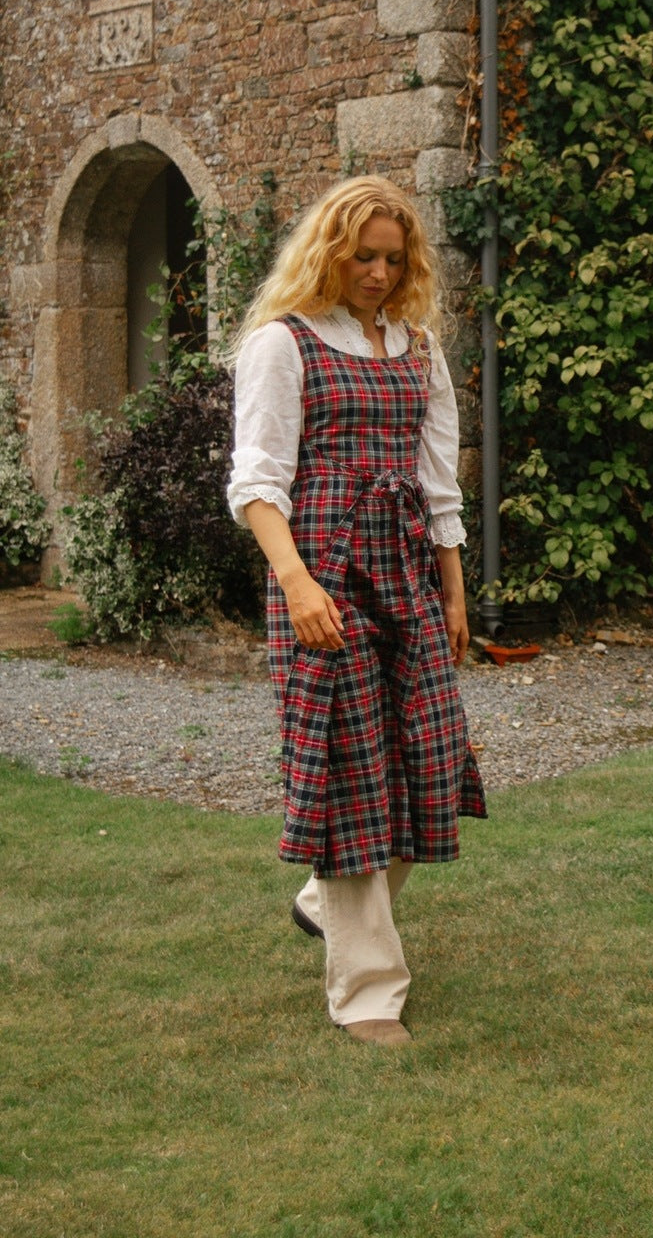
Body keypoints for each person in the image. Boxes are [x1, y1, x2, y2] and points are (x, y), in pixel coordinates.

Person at [226, 174, 487, 1047]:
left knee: (432, 755)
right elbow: (258, 482)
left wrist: (454, 588)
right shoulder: (282, 343)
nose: (378, 272)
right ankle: (370, 992)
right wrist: (297, 584)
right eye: (362, 255)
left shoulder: (418, 349)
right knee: (350, 773)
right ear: (330, 252)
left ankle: (320, 901)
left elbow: (438, 479)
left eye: (392, 257)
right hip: (324, 570)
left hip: (406, 571)